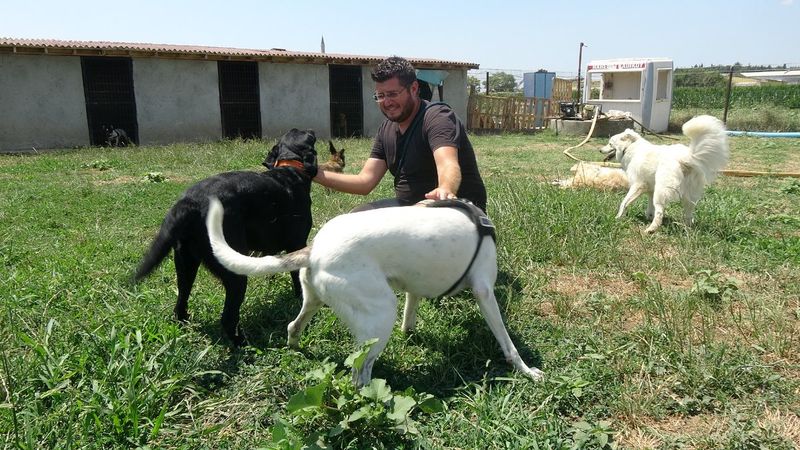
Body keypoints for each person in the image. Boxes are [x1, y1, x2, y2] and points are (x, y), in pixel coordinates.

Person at [313, 56, 488, 212]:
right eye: (380, 96)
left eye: (392, 94)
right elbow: (365, 182)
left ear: (413, 88)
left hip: (455, 209)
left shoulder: (437, 118)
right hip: (410, 210)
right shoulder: (386, 130)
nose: (386, 102)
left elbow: (448, 164)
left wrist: (445, 188)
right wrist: (312, 173)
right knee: (355, 219)